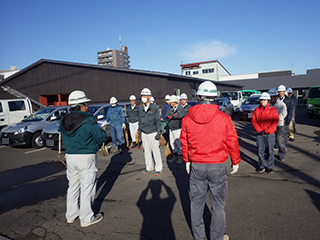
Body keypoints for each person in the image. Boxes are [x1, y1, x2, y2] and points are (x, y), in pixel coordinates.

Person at [180, 81, 240, 240]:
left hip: (197, 165)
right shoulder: (224, 117)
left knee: (196, 205)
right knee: (218, 206)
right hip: (217, 165)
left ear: (198, 96)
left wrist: (187, 160)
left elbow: (184, 141)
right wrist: (235, 160)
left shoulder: (187, 118)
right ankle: (217, 237)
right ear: (215, 98)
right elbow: (232, 140)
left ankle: (199, 237)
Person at [59, 90, 107, 227]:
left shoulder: (64, 120)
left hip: (70, 156)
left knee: (73, 186)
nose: (87, 106)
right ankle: (86, 218)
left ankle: (71, 214)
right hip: (85, 156)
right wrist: (101, 130)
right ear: (81, 105)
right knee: (87, 187)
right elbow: (100, 137)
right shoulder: (88, 120)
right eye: (86, 103)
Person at [252, 92, 279, 173]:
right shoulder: (256, 110)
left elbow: (275, 121)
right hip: (260, 134)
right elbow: (253, 120)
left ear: (268, 100)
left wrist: (268, 130)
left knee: (270, 151)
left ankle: (270, 166)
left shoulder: (273, 110)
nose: (262, 101)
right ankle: (261, 166)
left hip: (270, 134)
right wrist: (259, 130)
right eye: (261, 100)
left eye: (264, 100)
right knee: (260, 151)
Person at [138, 88, 163, 176]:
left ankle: (158, 168)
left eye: (145, 96)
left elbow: (158, 121)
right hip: (144, 132)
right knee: (147, 150)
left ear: (149, 97)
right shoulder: (140, 109)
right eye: (142, 96)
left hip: (153, 132)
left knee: (155, 150)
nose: (143, 97)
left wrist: (159, 133)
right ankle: (149, 167)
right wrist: (139, 134)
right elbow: (140, 121)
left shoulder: (154, 107)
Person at [268, 88, 287, 161]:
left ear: (276, 96)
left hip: (279, 125)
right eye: (270, 96)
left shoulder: (281, 104)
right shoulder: (268, 105)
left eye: (273, 96)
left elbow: (284, 114)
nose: (271, 98)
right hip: (270, 125)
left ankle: (281, 154)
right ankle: (270, 154)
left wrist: (280, 119)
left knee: (280, 141)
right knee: (270, 141)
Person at [165, 95, 185, 164]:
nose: (170, 103)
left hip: (177, 128)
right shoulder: (171, 109)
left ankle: (180, 156)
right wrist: (173, 116)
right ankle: (175, 155)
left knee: (178, 143)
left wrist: (172, 116)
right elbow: (167, 115)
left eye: (171, 102)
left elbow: (180, 115)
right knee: (172, 142)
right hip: (172, 128)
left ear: (174, 102)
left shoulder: (180, 108)